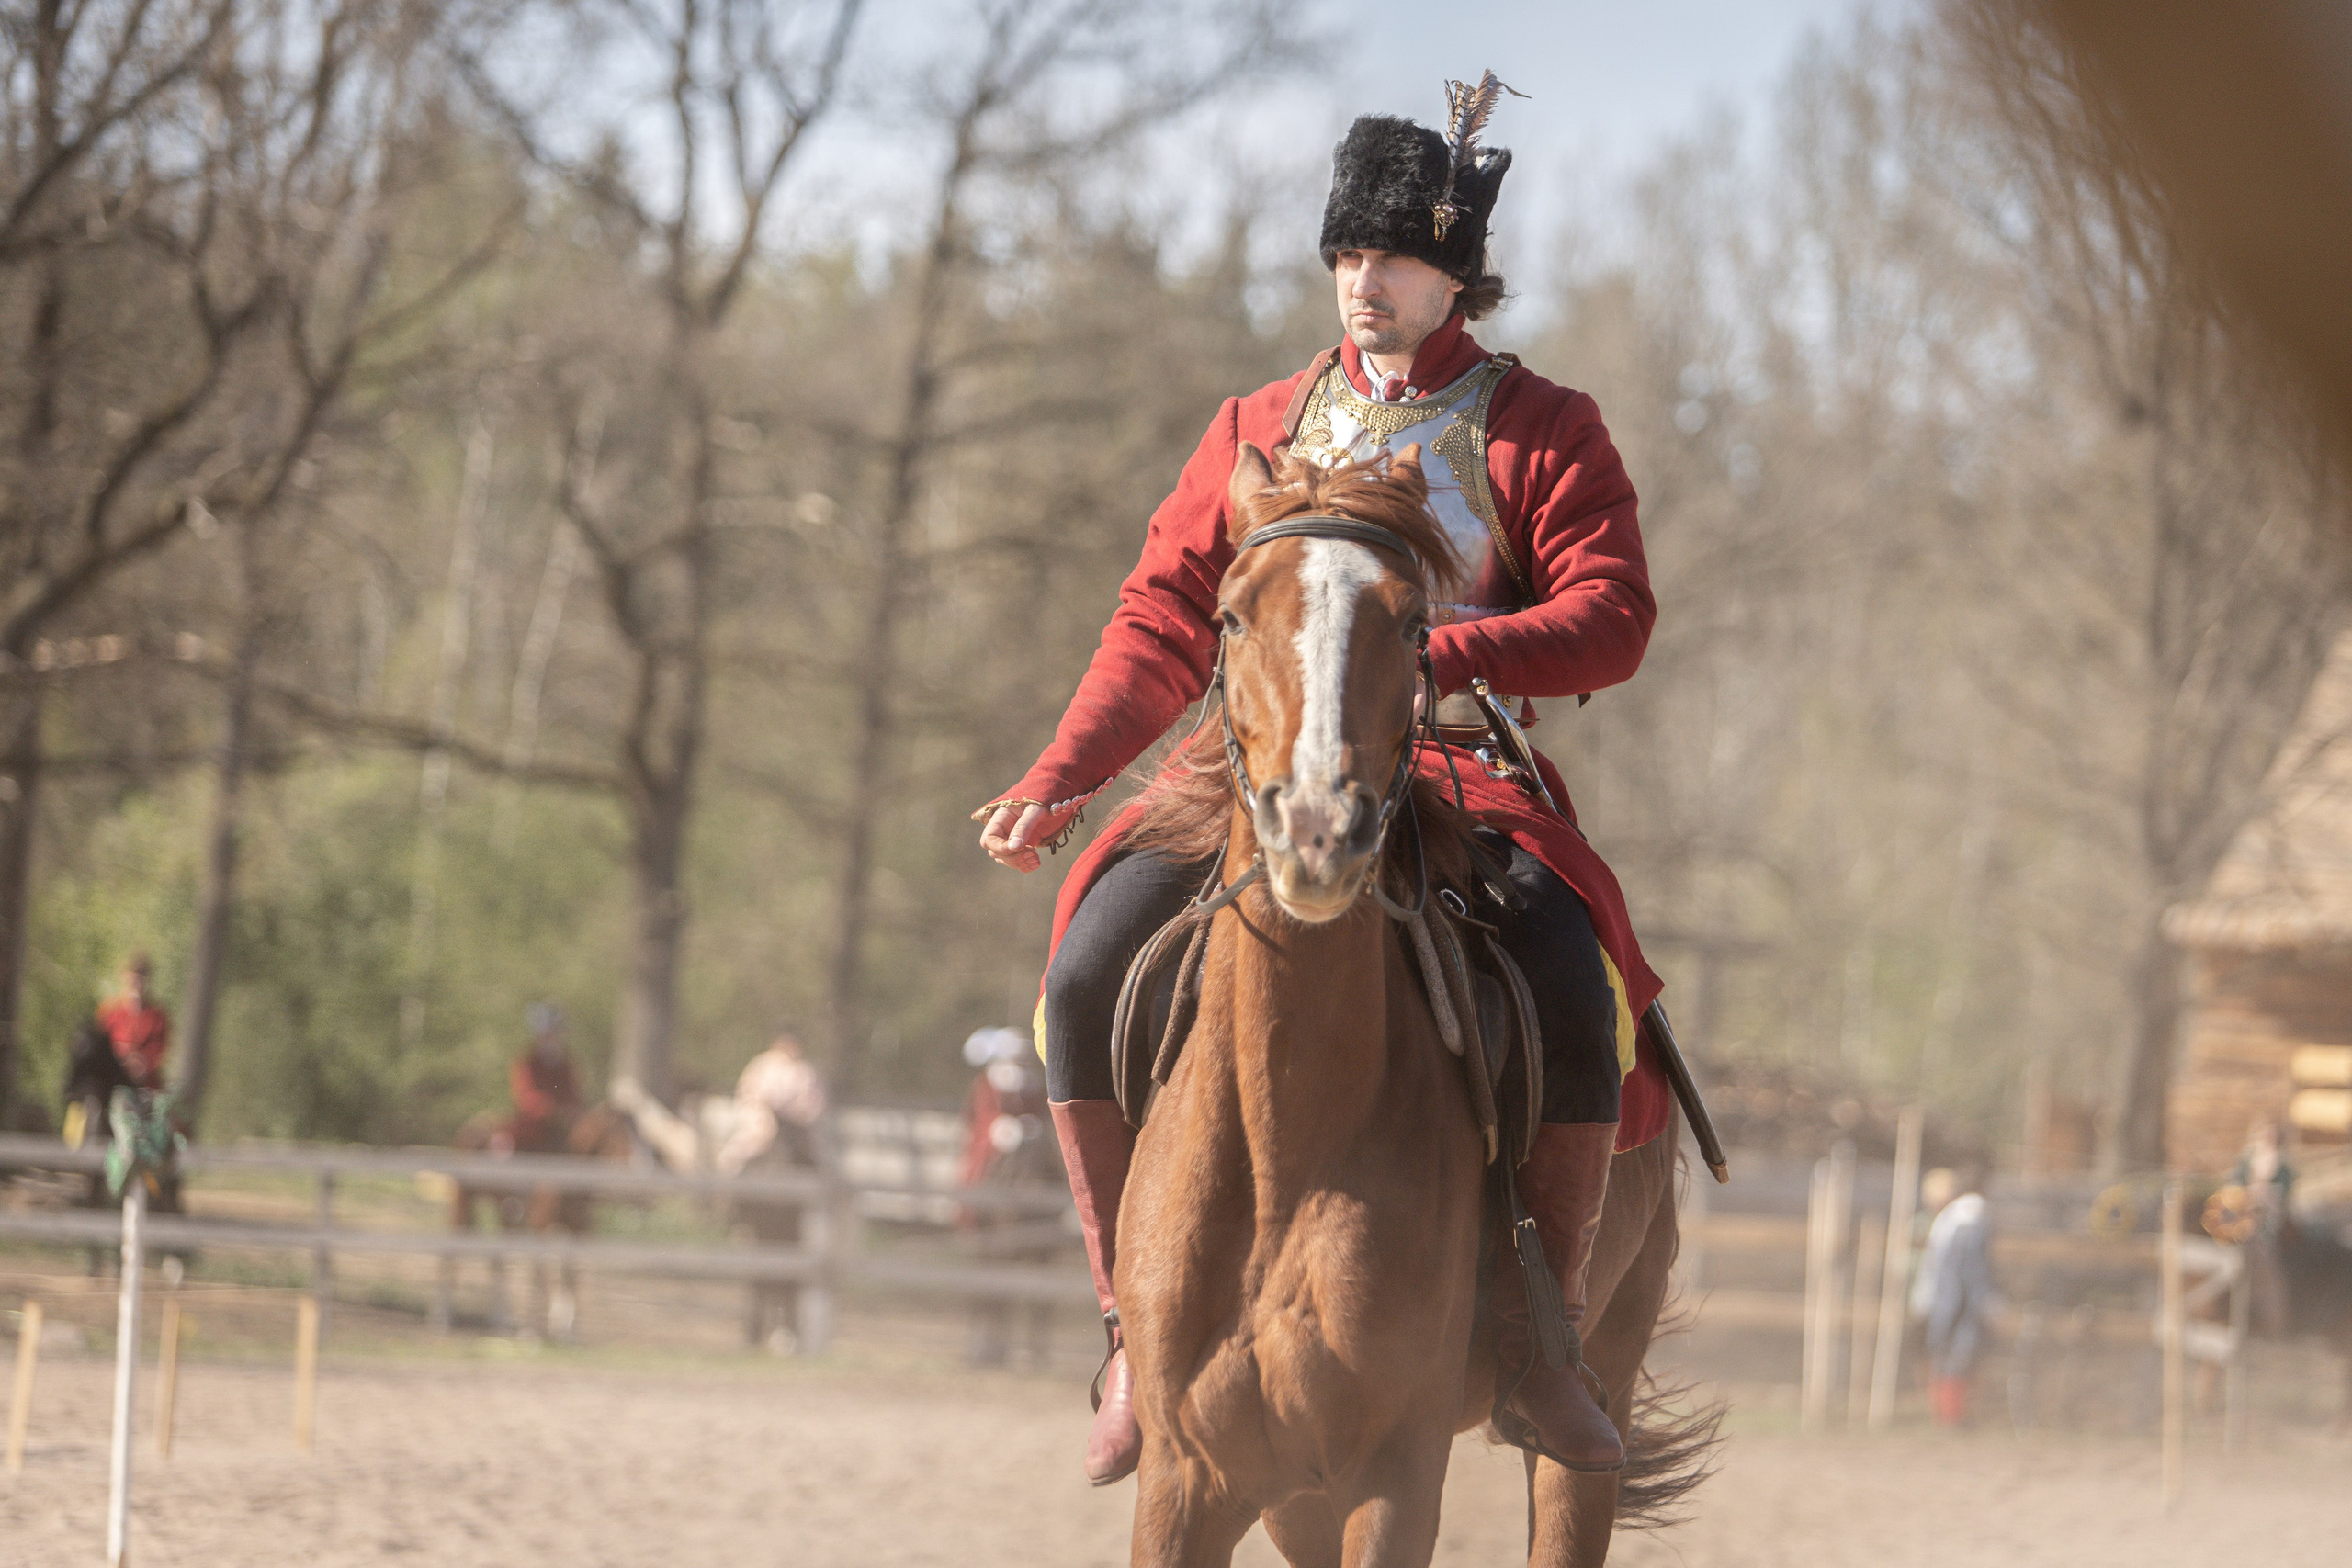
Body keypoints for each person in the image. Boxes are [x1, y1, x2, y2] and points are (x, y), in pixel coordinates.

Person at [974, 88, 1659, 1483]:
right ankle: (1130, 1327)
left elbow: (1616, 612)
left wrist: (1430, 647)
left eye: (1395, 259)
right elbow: (1166, 616)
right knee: (1090, 954)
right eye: (1347, 256)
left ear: (1454, 271)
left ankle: (1540, 1337)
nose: (1364, 283)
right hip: (1251, 767)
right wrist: (1064, 772)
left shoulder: (1540, 426)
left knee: (1571, 969)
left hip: (1459, 769)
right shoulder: (1260, 426)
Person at [1910, 1165, 1997, 1427]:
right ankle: (1951, 1416)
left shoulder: (1950, 1220)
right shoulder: (1970, 1220)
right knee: (1958, 1357)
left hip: (1943, 1301)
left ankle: (1946, 1415)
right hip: (1959, 1304)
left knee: (1944, 1356)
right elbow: (1970, 1271)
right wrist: (1986, 1301)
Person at [715, 1032, 829, 1175]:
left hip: (793, 1121)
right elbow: (758, 1093)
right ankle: (727, 1167)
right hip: (757, 1110)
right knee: (759, 1133)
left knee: (812, 1145)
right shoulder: (766, 1063)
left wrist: (798, 1114)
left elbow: (813, 1102)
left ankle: (816, 1180)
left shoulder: (803, 1068)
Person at [503, 1002, 582, 1155]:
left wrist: (571, 1110)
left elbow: (573, 1093)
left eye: (556, 1034)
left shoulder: (565, 1065)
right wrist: (548, 1109)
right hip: (532, 1128)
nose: (553, 1039)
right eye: (548, 1035)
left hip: (564, 1125)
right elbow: (525, 1096)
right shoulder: (527, 1063)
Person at [93, 953, 172, 1091]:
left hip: (144, 1083)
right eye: (133, 977)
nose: (136, 983)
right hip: (112, 1078)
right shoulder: (110, 1011)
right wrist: (121, 1058)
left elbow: (158, 1050)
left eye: (141, 978)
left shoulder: (157, 1017)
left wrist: (141, 1063)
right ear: (125, 977)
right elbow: (100, 1045)